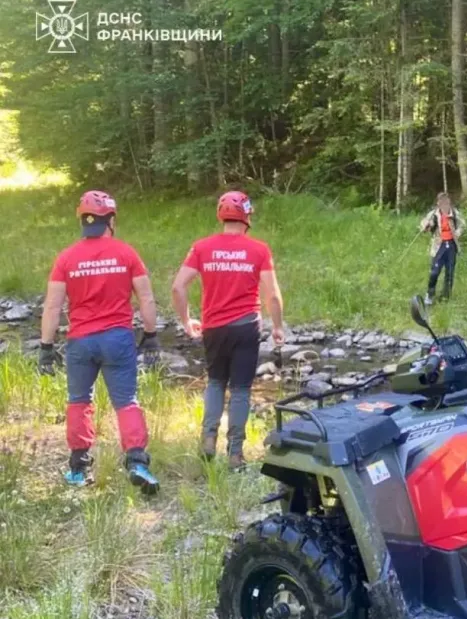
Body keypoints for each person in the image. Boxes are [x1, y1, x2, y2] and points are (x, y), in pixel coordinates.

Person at [39, 190, 161, 492]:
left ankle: (78, 469)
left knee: (79, 402)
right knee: (126, 401)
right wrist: (151, 335)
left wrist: (46, 347)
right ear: (112, 220)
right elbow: (145, 297)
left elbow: (52, 307)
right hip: (117, 338)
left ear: (82, 221)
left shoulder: (66, 258)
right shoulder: (126, 253)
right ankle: (136, 462)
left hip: (80, 341)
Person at [171, 191, 284, 470]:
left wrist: (186, 320)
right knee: (242, 389)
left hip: (214, 328)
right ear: (247, 216)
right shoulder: (259, 250)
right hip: (246, 327)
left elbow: (178, 286)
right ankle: (235, 453)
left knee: (216, 382)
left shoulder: (201, 247)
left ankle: (208, 438)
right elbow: (272, 296)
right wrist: (278, 327)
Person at [419, 192, 465, 305]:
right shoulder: (434, 214)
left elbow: (462, 224)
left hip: (451, 245)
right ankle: (429, 295)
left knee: (449, 272)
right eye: (442, 201)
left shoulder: (454, 213)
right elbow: (424, 224)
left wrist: (458, 233)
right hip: (438, 245)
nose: (444, 203)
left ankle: (445, 296)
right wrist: (425, 226)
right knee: (435, 272)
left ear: (449, 202)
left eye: (446, 201)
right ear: (438, 203)